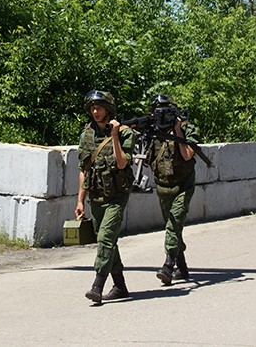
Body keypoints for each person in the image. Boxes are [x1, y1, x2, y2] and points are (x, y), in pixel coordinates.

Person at [76, 90, 135, 305]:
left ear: (108, 108)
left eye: (99, 107)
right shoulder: (87, 134)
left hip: (117, 196)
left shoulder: (126, 133)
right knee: (108, 241)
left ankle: (97, 285)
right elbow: (84, 168)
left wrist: (115, 136)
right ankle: (119, 285)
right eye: (92, 107)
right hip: (96, 195)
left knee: (105, 238)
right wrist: (80, 200)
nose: (95, 111)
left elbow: (121, 163)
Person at [138, 94, 201, 285]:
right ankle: (182, 268)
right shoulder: (153, 131)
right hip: (163, 186)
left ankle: (168, 265)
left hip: (183, 185)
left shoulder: (187, 129)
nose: (162, 117)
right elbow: (147, 159)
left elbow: (188, 155)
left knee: (173, 225)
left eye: (167, 112)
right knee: (173, 227)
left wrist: (177, 132)